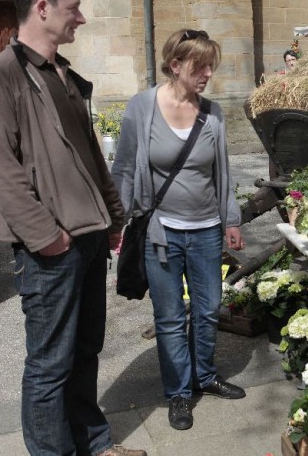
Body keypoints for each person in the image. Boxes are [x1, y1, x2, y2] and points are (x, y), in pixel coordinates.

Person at [0, 0, 145, 456]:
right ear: (42, 7)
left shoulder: (63, 74)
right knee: (49, 365)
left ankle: (94, 443)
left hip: (89, 238)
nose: (81, 19)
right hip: (50, 249)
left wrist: (114, 218)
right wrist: (47, 237)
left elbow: (90, 157)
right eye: (74, 9)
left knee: (85, 352)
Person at [112, 29, 246, 431]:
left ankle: (204, 375)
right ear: (175, 65)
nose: (208, 74)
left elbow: (222, 171)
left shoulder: (213, 113)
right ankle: (179, 393)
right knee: (170, 317)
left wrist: (231, 220)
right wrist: (115, 223)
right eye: (199, 66)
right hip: (161, 233)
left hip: (206, 231)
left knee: (208, 309)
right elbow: (123, 168)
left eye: (210, 66)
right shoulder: (142, 107)